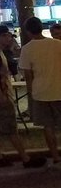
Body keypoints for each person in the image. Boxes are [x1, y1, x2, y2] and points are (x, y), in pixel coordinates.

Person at [0, 24, 45, 169]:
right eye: (4, 35)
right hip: (2, 95)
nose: (8, 38)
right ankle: (25, 159)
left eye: (8, 35)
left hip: (1, 94)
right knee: (12, 128)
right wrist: (1, 95)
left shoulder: (1, 52)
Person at [20, 16, 61, 167]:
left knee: (48, 126)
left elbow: (28, 75)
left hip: (41, 92)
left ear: (28, 32)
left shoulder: (27, 49)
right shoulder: (57, 44)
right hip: (59, 89)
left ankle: (55, 156)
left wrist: (31, 92)